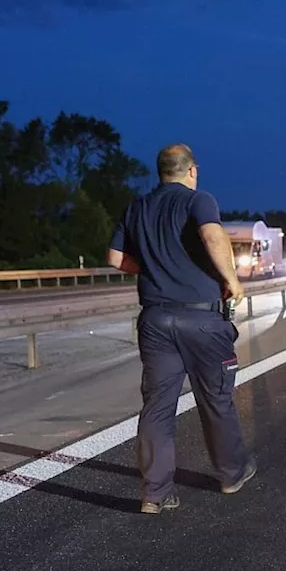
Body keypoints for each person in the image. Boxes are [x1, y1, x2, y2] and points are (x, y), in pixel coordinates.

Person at [107, 143, 257, 515]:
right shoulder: (198, 200)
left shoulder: (136, 206)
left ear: (160, 172)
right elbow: (212, 236)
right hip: (202, 319)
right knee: (215, 399)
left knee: (157, 406)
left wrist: (154, 270)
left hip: (156, 320)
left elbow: (113, 259)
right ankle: (231, 474)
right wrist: (232, 280)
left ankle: (154, 495)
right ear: (192, 171)